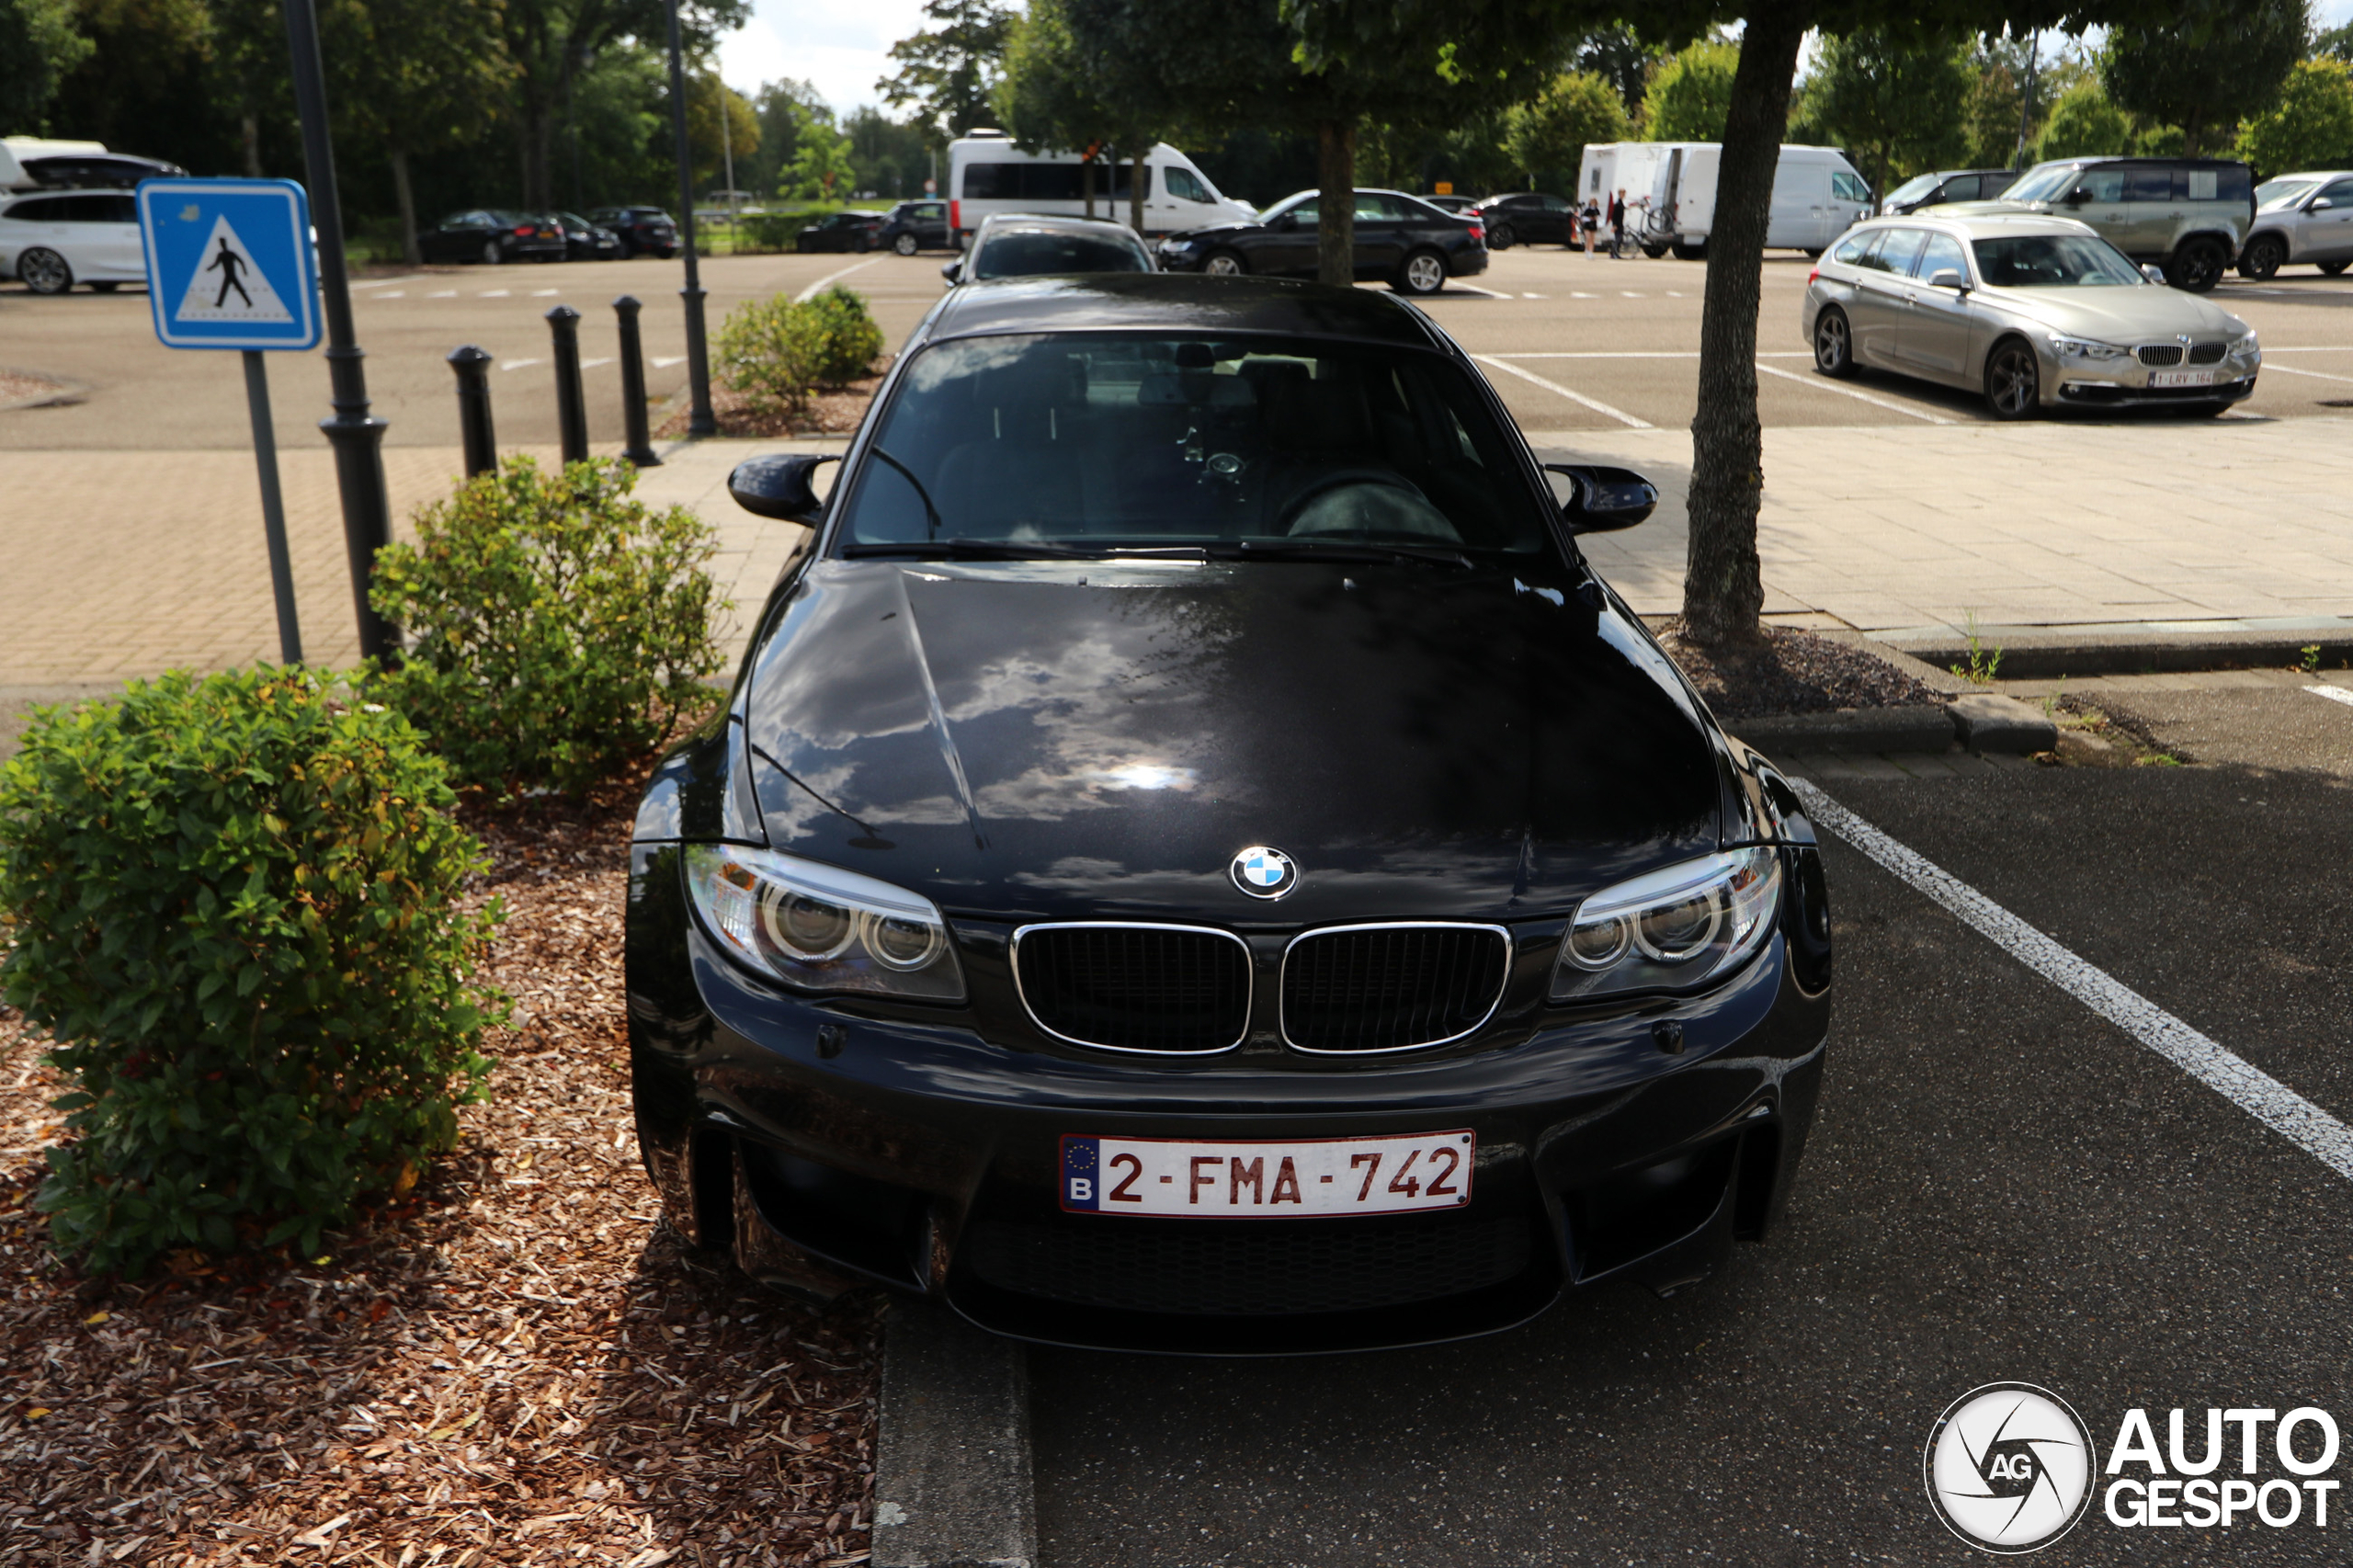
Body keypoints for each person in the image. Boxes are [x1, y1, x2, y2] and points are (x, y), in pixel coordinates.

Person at [1608, 189, 1627, 258]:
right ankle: (1614, 253)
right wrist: (1614, 225)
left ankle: (1615, 253)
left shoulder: (1620, 203)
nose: (1623, 195)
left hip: (1620, 223)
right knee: (1618, 239)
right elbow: (1614, 215)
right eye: (1622, 194)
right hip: (1617, 224)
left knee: (1619, 239)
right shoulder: (1617, 204)